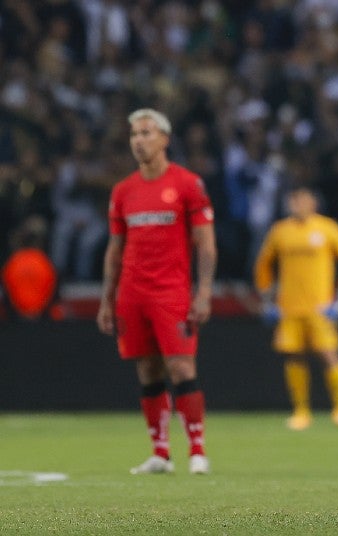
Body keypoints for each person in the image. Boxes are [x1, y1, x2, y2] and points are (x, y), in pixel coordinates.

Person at [96, 109, 217, 476]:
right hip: (132, 292)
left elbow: (206, 243)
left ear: (164, 139)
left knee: (181, 366)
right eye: (134, 134)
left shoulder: (186, 184)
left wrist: (204, 292)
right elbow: (115, 248)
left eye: (146, 133)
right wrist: (107, 299)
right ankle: (160, 453)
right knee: (147, 368)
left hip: (171, 291)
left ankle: (197, 450)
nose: (138, 140)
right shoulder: (123, 191)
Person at [254, 185, 338, 431]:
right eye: (294, 201)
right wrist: (268, 301)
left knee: (329, 353)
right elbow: (263, 266)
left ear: (313, 203)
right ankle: (301, 412)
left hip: (320, 307)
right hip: (289, 307)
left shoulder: (327, 228)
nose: (297, 205)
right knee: (294, 356)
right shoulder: (280, 231)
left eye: (302, 200)